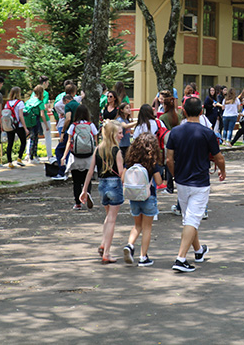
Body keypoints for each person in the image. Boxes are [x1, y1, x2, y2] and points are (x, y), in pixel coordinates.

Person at [165, 97, 226, 273]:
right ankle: (181, 258)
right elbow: (218, 157)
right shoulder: (208, 133)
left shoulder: (175, 132)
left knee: (189, 218)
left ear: (183, 111)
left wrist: (176, 174)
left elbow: (169, 159)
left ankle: (198, 251)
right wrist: (223, 171)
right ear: (201, 112)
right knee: (192, 219)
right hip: (199, 182)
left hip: (182, 181)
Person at [80, 121, 123, 263]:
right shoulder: (117, 151)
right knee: (112, 219)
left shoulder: (98, 149)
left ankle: (104, 243)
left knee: (108, 216)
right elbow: (121, 173)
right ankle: (107, 253)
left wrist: (84, 190)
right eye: (119, 133)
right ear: (113, 135)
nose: (122, 136)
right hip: (115, 184)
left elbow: (91, 171)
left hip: (102, 185)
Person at [121, 133, 163, 267]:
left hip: (133, 197)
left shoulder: (130, 162)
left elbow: (123, 178)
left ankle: (130, 244)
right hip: (148, 197)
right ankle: (143, 257)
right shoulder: (152, 163)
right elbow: (159, 181)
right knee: (147, 228)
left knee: (137, 226)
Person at [63, 104, 100, 210]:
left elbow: (69, 142)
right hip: (88, 158)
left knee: (76, 181)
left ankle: (77, 203)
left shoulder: (73, 126)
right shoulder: (91, 125)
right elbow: (96, 142)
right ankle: (87, 193)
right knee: (87, 179)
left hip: (75, 158)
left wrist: (64, 156)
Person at [3, 86, 27, 168]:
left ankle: (9, 162)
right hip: (18, 125)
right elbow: (21, 116)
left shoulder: (7, 103)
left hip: (10, 125)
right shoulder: (20, 103)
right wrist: (25, 127)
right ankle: (19, 158)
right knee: (23, 141)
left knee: (10, 143)